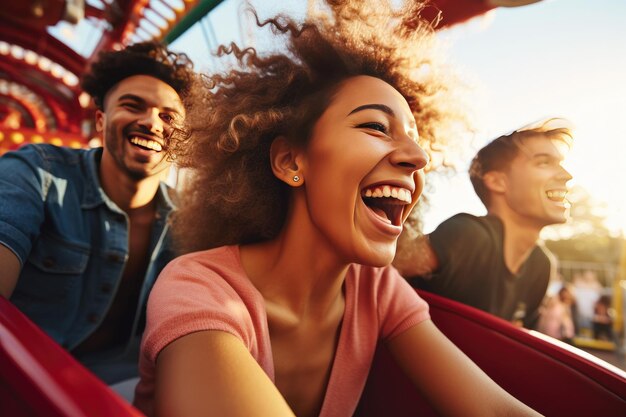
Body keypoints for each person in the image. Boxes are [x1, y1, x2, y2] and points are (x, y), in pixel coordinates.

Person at [133, 2, 542, 416]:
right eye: (375, 127)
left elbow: (495, 411)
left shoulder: (377, 289)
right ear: (291, 162)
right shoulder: (198, 289)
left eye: (418, 140)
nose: (418, 157)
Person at [0, 41, 194, 383]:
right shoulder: (36, 172)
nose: (151, 122)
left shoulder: (191, 223)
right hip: (20, 375)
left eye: (168, 116)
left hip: (118, 385)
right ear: (101, 121)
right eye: (133, 106)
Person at [394, 117, 573, 329]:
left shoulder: (540, 264)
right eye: (544, 162)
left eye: (560, 164)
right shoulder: (468, 235)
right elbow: (372, 272)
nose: (566, 175)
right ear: (497, 182)